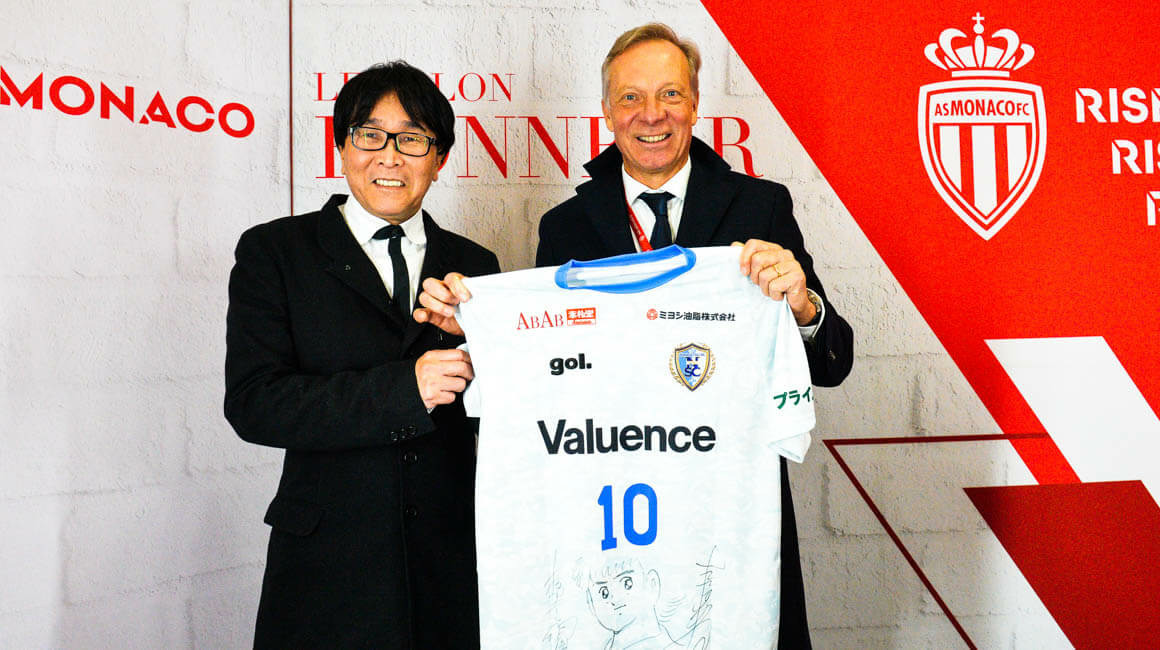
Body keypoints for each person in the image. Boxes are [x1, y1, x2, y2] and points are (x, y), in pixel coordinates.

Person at [418, 23, 853, 648]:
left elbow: (833, 362)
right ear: (606, 110)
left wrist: (803, 305)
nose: (652, 114)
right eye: (631, 97)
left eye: (670, 94)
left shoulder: (760, 207)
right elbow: (551, 373)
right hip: (607, 511)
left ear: (695, 104)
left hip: (725, 507)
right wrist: (479, 334)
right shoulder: (565, 226)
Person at [224, 61, 499, 648]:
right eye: (370, 135)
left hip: (449, 569)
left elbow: (506, 415)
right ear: (342, 147)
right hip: (326, 572)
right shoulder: (275, 251)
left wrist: (486, 351)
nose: (389, 157)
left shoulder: (477, 265)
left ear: (440, 158)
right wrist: (406, 390)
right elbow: (254, 404)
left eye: (412, 139)